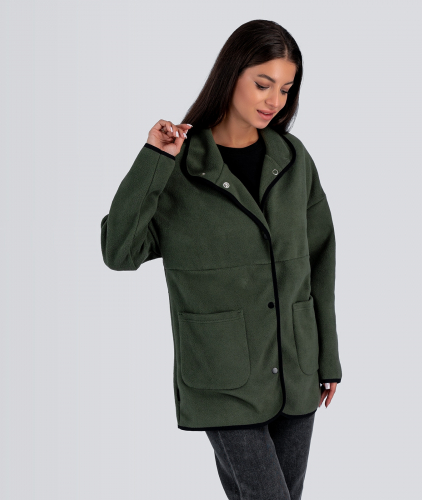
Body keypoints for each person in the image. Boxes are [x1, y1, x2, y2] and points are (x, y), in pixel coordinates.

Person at [101, 19, 342, 500]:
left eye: (286, 89)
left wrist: (328, 359)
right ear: (231, 75)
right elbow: (119, 251)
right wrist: (153, 158)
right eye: (263, 83)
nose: (275, 101)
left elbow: (321, 261)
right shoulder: (179, 166)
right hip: (223, 376)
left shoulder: (293, 159)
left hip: (297, 369)